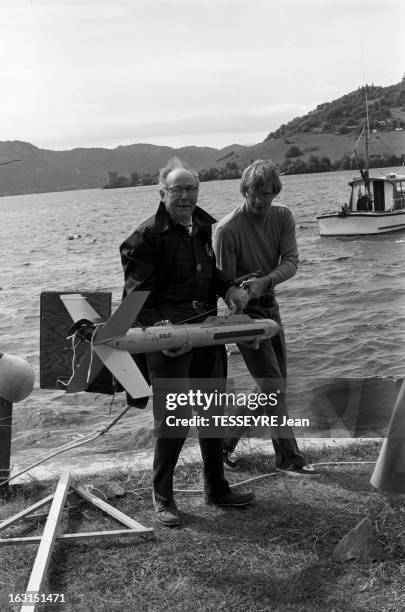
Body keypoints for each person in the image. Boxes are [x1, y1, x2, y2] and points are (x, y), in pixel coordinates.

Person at [120, 157, 255, 527]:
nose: (184, 195)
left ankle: (217, 489)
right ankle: (162, 497)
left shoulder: (201, 229)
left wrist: (228, 288)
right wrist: (162, 332)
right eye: (177, 189)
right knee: (174, 422)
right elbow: (135, 299)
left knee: (212, 415)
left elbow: (210, 276)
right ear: (162, 192)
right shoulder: (143, 239)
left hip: (206, 336)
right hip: (167, 342)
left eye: (190, 189)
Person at [214, 159, 317, 476]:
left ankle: (222, 444)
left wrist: (264, 282)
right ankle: (289, 458)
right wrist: (239, 292)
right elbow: (223, 284)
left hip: (271, 305)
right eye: (254, 193)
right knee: (273, 387)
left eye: (267, 194)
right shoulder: (227, 229)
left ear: (275, 192)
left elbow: (291, 261)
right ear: (244, 189)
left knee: (275, 387)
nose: (260, 201)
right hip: (243, 315)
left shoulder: (283, 216)